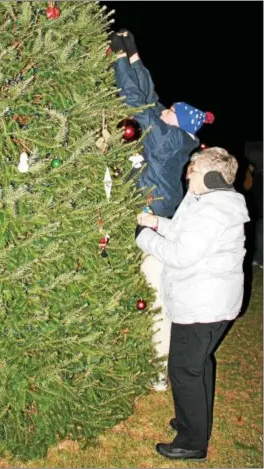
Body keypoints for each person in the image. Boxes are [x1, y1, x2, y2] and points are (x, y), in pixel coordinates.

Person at [110, 29, 215, 390]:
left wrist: (117, 57)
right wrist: (134, 56)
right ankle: (138, 354)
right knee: (146, 292)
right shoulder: (172, 132)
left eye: (171, 112)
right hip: (149, 218)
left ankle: (157, 370)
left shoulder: (167, 139)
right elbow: (150, 98)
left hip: (151, 223)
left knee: (154, 294)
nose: (165, 110)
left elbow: (135, 101)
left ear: (179, 123)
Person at [135, 147, 250, 460]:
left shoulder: (213, 210)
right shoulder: (212, 203)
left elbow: (181, 255)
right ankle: (192, 421)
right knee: (197, 365)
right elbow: (185, 234)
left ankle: (192, 442)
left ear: (211, 177)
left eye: (194, 170)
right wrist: (157, 223)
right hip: (209, 300)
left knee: (185, 369)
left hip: (203, 304)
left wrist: (143, 237)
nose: (188, 174)